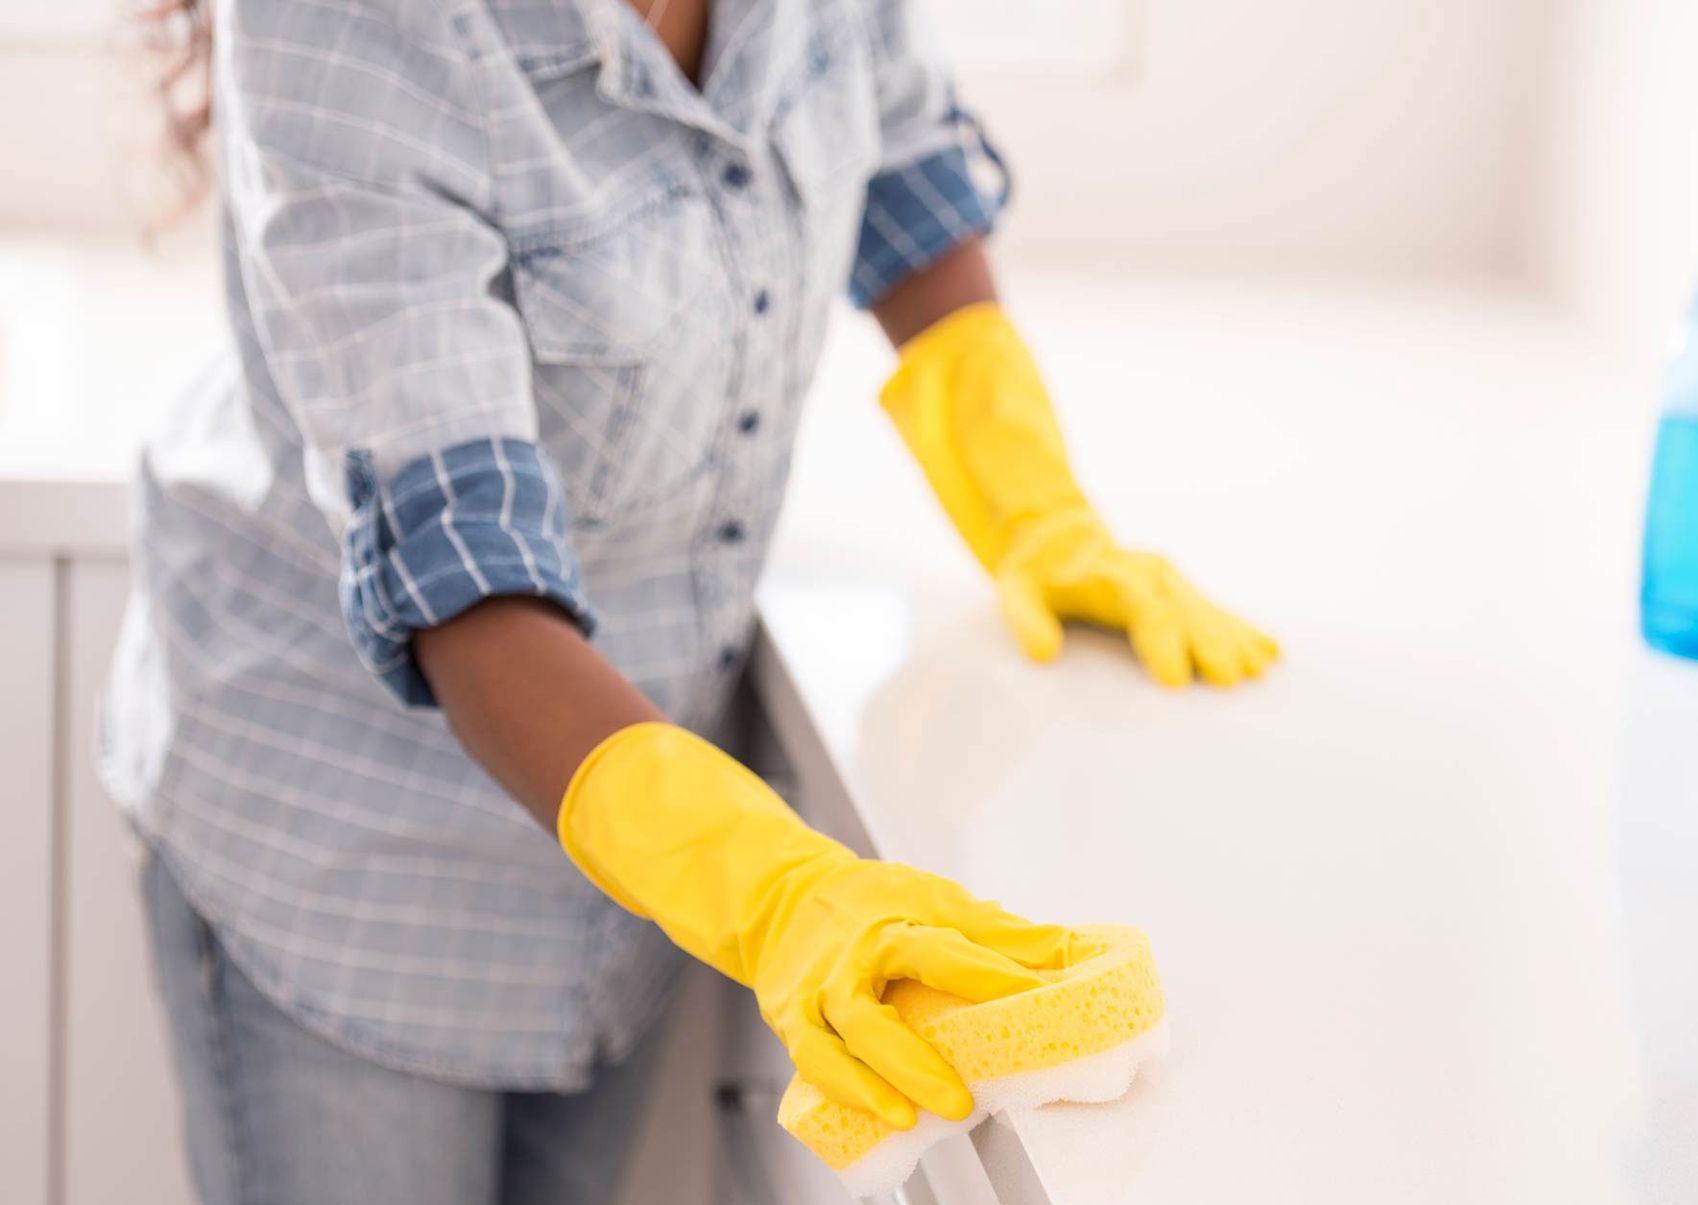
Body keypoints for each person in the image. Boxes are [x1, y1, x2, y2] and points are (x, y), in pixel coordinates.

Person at [105, 0, 1279, 1201]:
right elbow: (454, 562)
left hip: (636, 843)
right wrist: (775, 891)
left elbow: (900, 157)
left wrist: (1032, 502)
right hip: (352, 850)